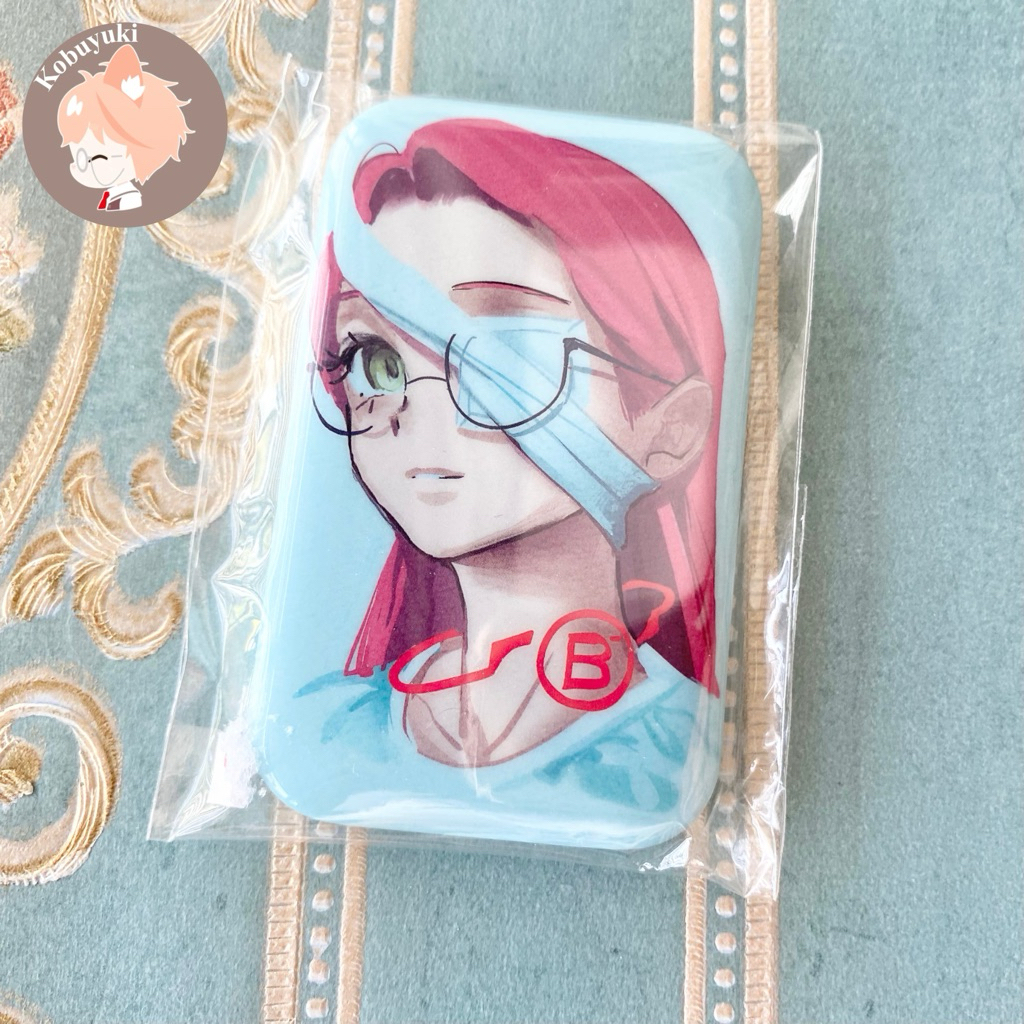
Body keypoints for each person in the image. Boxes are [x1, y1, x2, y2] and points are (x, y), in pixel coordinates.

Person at [294, 117, 725, 844]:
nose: (418, 410)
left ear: (670, 429)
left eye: (506, 357)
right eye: (375, 362)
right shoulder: (330, 727)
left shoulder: (666, 743)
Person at [56, 44, 190, 211]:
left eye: (98, 157)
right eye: (79, 158)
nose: (83, 168)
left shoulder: (128, 199)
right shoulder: (110, 193)